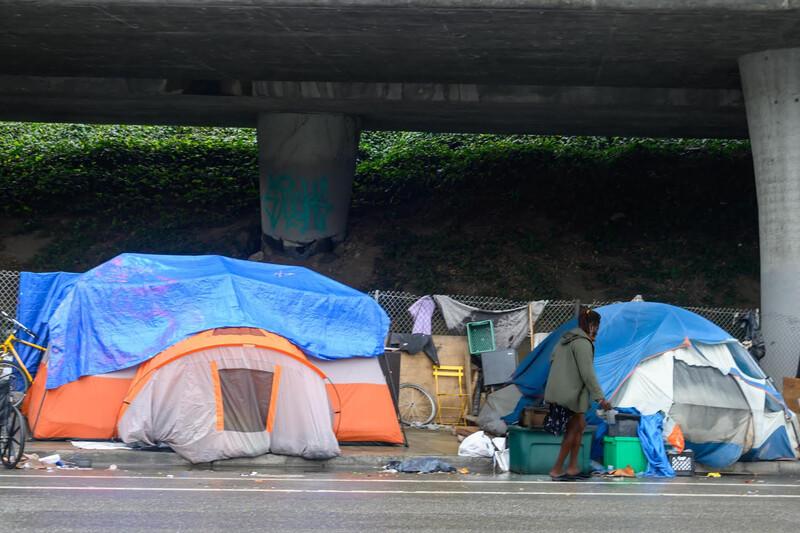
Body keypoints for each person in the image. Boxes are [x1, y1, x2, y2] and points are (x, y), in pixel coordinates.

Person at [543, 307, 611, 481]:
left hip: (562, 391)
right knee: (573, 430)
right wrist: (600, 398)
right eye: (596, 326)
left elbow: (552, 359)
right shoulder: (582, 343)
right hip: (570, 395)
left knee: (579, 427)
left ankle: (573, 467)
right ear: (592, 325)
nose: (597, 330)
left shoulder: (564, 340)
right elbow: (587, 373)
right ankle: (557, 469)